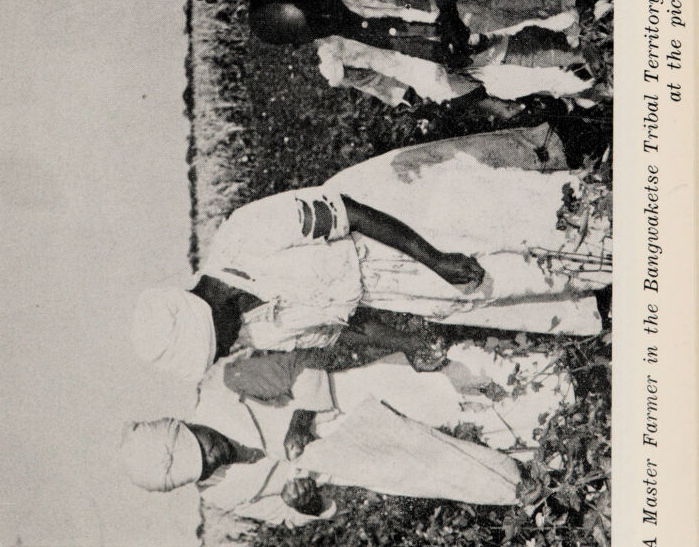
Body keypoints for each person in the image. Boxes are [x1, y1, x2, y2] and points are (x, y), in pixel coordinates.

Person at [129, 124, 611, 398]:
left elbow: (351, 211)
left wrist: (435, 258)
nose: (227, 350)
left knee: (543, 217)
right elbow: (346, 323)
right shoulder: (252, 330)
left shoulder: (244, 237)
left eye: (216, 344)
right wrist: (411, 343)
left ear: (207, 305)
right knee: (520, 281)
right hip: (398, 285)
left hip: (405, 221)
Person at [121, 341, 574, 522]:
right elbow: (292, 515)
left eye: (202, 448)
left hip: (363, 395)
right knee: (468, 459)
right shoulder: (222, 495)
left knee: (481, 395)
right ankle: (560, 466)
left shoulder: (228, 385)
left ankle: (571, 383)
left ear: (185, 423)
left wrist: (301, 420)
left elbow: (304, 363)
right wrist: (306, 502)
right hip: (372, 457)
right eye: (202, 468)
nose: (214, 460)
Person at [250, 0, 613, 106]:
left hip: (478, 1)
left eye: (321, 7)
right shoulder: (338, 56)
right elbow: (389, 84)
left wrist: (442, 10)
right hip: (471, 63)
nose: (328, 19)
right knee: (568, 66)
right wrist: (458, 96)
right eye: (317, 27)